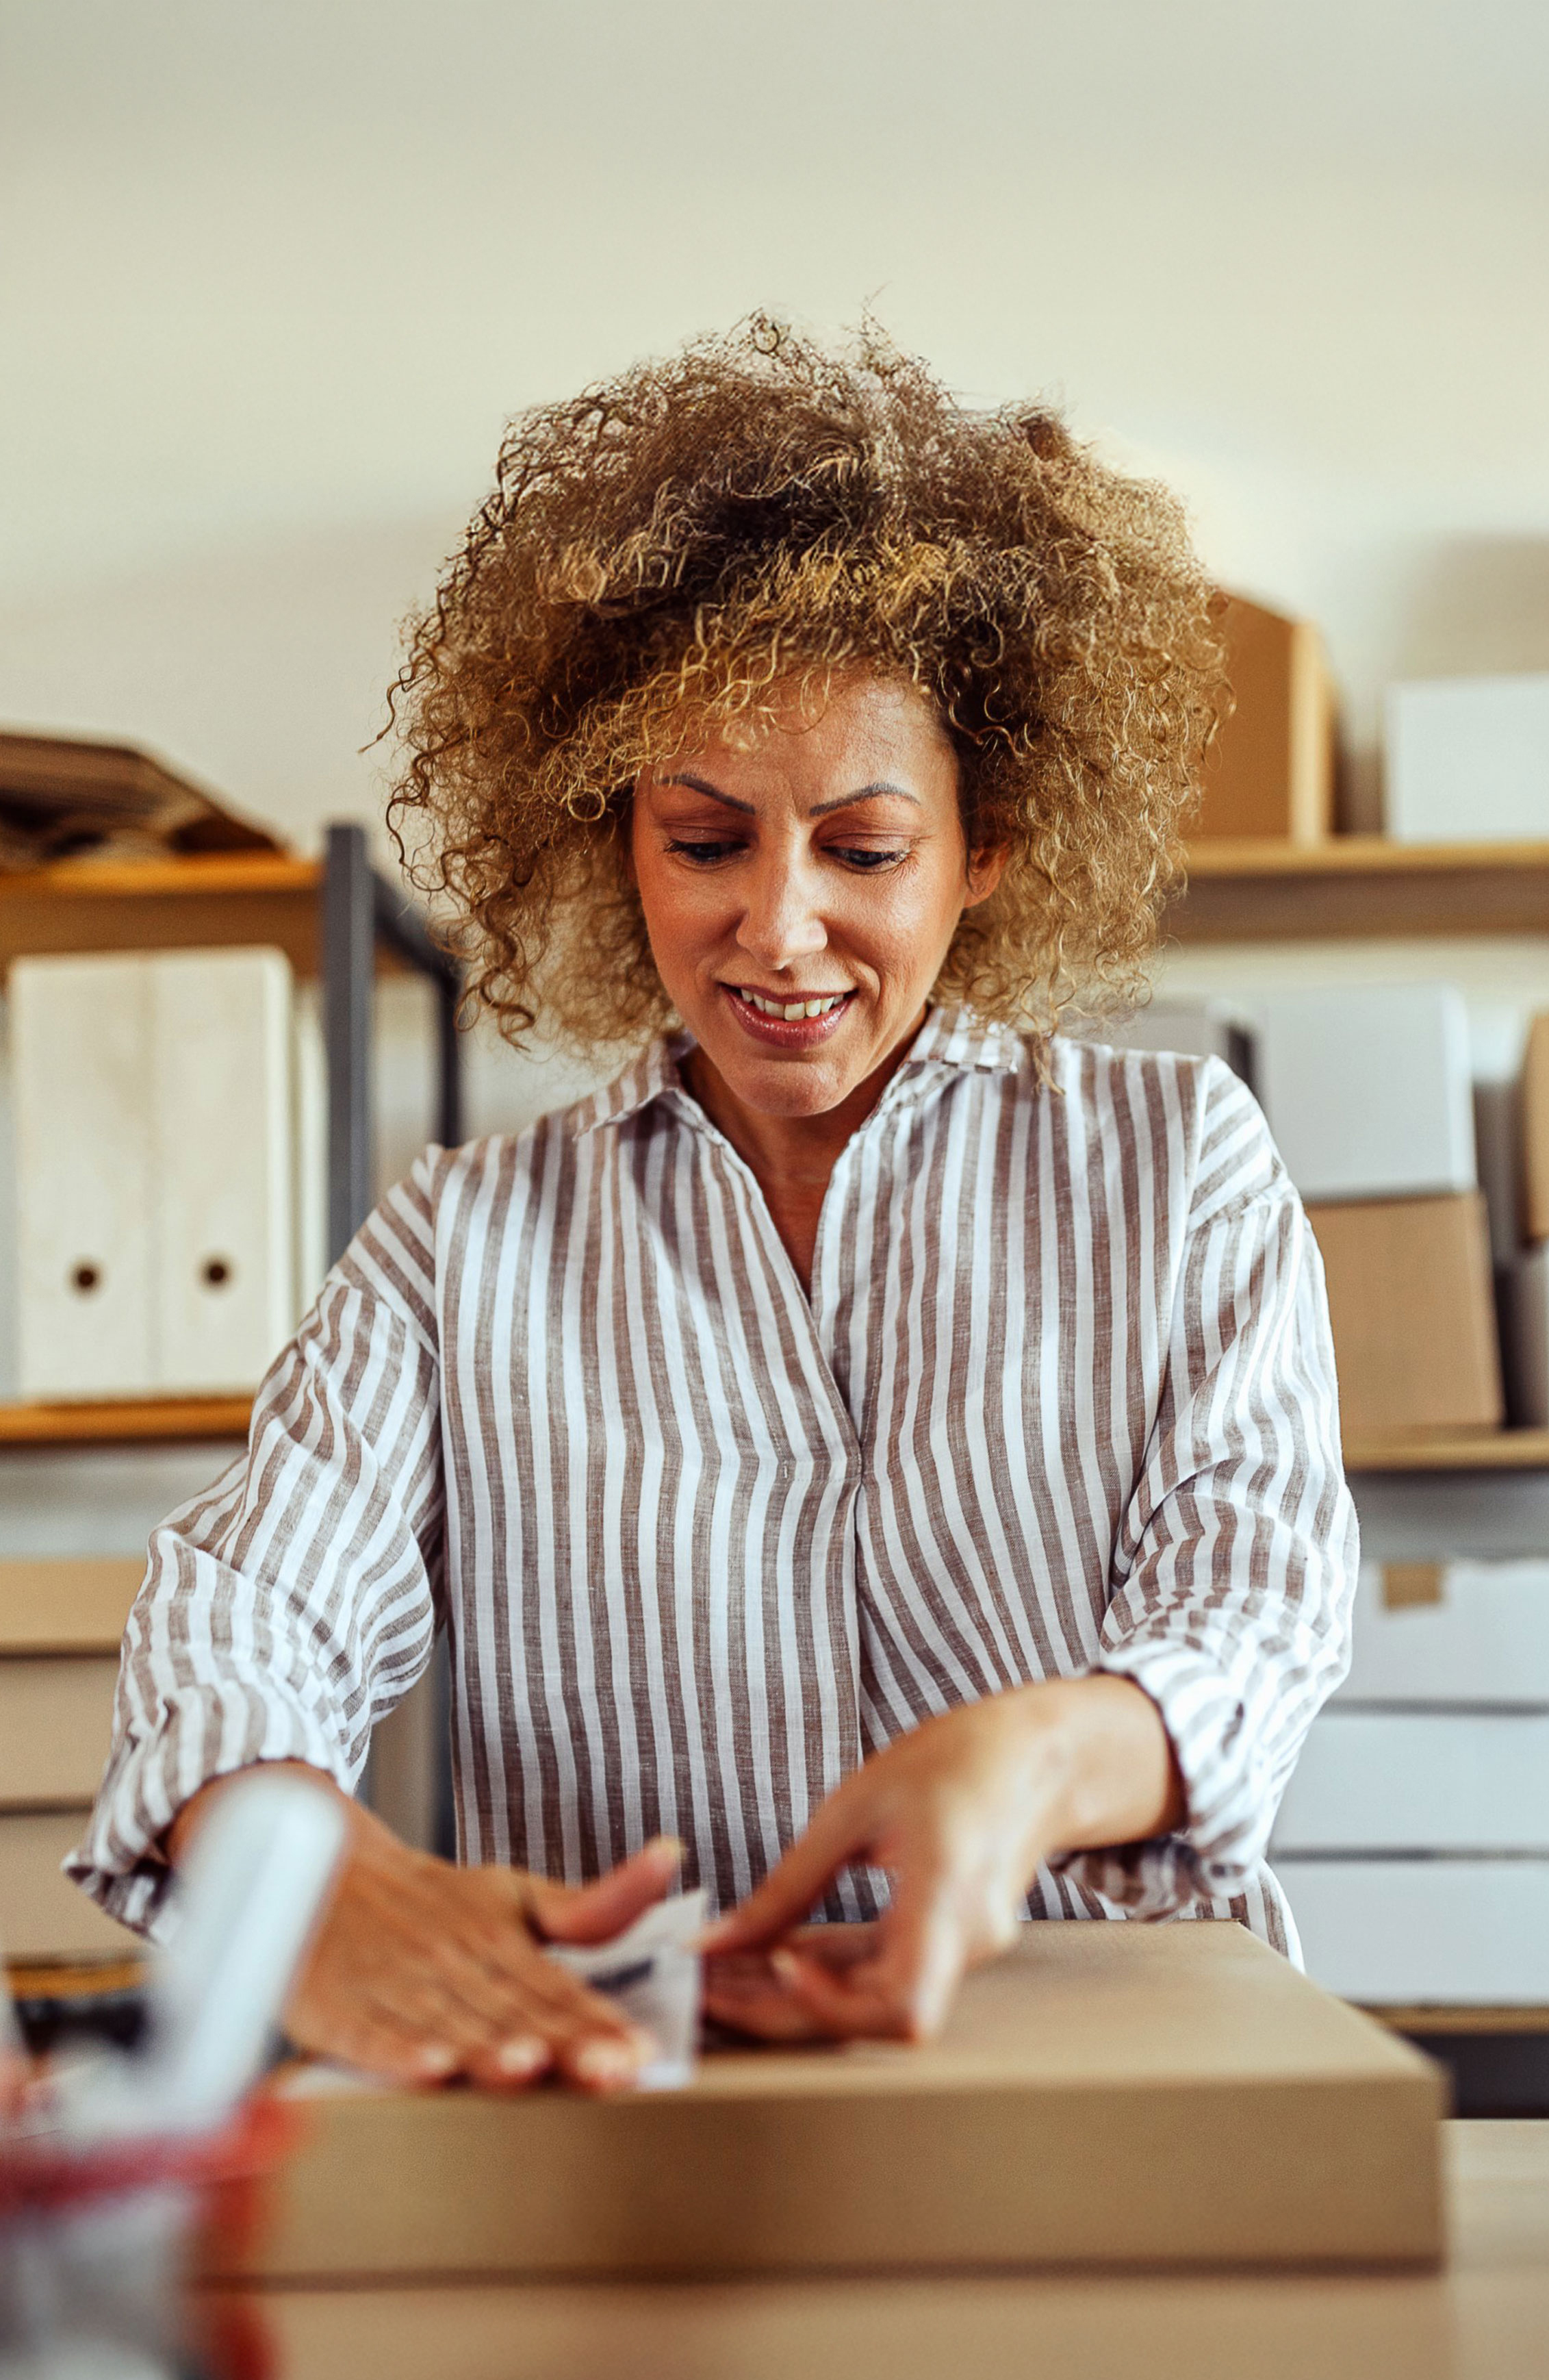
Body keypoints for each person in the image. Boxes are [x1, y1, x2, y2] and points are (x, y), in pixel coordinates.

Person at [72, 321, 1356, 2090]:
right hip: (633, 2083)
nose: (777, 927)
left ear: (986, 849)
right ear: (615, 841)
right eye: (703, 840)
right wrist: (302, 1865)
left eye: (864, 846)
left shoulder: (1174, 1162)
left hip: (1097, 2068)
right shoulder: (463, 1242)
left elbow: (1256, 1617)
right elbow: (246, 1611)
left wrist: (1030, 1768)